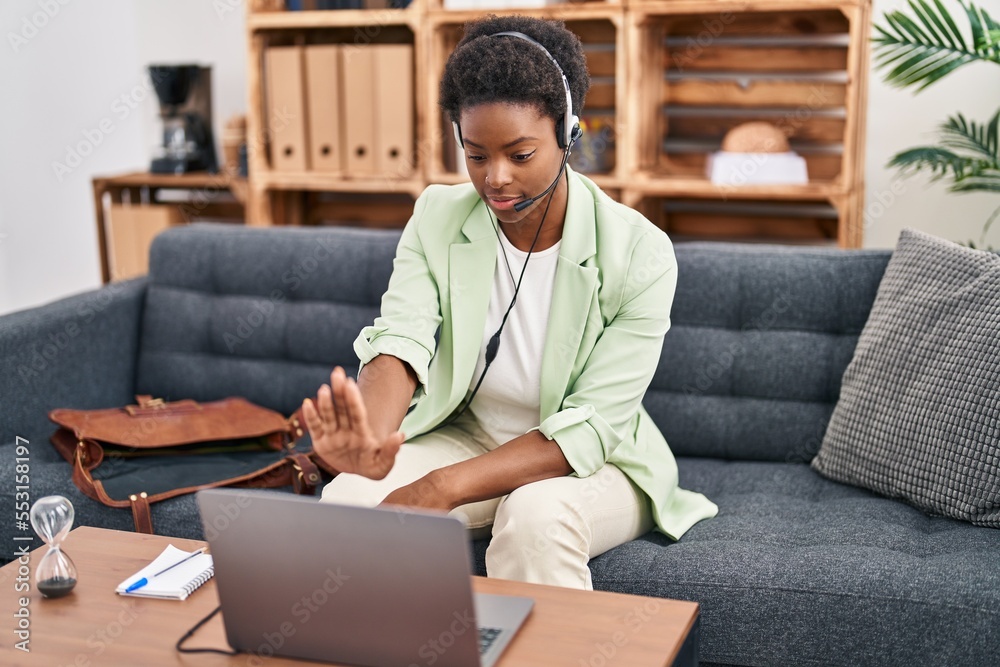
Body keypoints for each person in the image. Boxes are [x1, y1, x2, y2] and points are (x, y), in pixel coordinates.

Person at [302, 14, 717, 591]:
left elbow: (590, 429)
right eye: (476, 155)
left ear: (568, 133)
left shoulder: (640, 253)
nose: (495, 178)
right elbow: (402, 340)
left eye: (521, 155)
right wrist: (371, 441)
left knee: (534, 518)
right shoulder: (437, 217)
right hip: (469, 435)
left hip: (594, 462)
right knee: (350, 497)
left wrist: (441, 486)